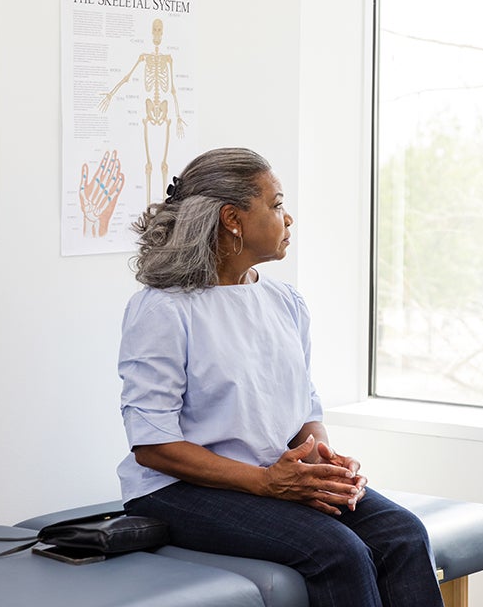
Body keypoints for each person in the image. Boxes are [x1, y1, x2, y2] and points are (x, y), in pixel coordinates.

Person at [116, 147, 443, 607]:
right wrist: (267, 483)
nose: (287, 219)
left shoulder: (285, 301)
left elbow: (303, 407)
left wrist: (319, 458)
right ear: (233, 219)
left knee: (402, 535)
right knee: (339, 552)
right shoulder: (164, 310)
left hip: (272, 475)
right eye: (276, 204)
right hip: (178, 491)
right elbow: (152, 444)